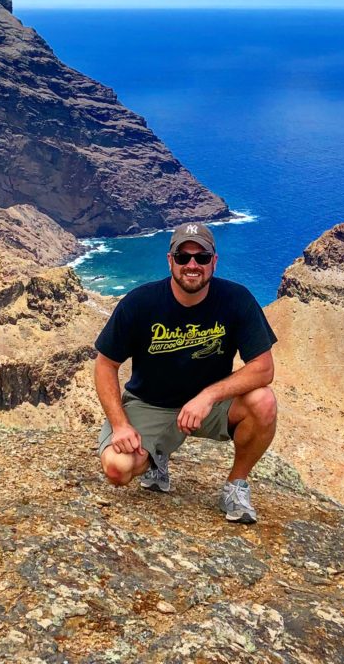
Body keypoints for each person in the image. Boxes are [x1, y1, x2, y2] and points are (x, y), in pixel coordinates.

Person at [94, 222, 277, 524]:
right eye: (183, 257)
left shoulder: (237, 300)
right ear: (170, 261)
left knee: (264, 402)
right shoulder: (139, 303)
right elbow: (105, 364)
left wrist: (209, 396)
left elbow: (263, 368)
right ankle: (156, 458)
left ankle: (235, 486)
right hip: (149, 403)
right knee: (117, 468)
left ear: (214, 262)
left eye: (201, 257)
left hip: (210, 408)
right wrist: (120, 425)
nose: (192, 265)